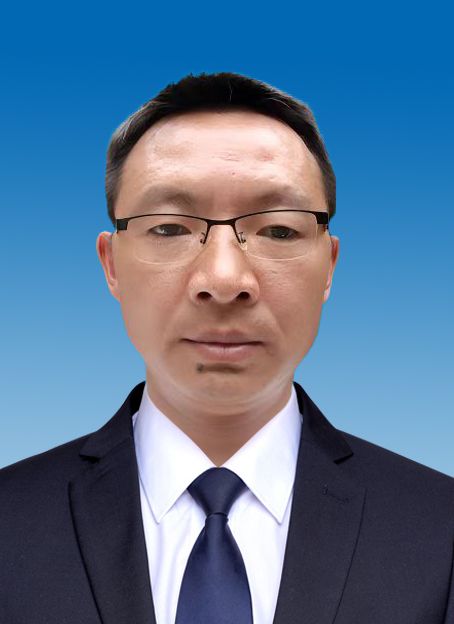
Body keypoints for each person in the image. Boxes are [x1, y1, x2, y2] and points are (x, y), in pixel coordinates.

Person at [1, 72, 453, 624]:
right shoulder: (10, 521)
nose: (222, 278)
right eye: (169, 228)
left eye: (278, 230)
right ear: (112, 264)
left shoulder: (440, 528)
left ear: (329, 266)